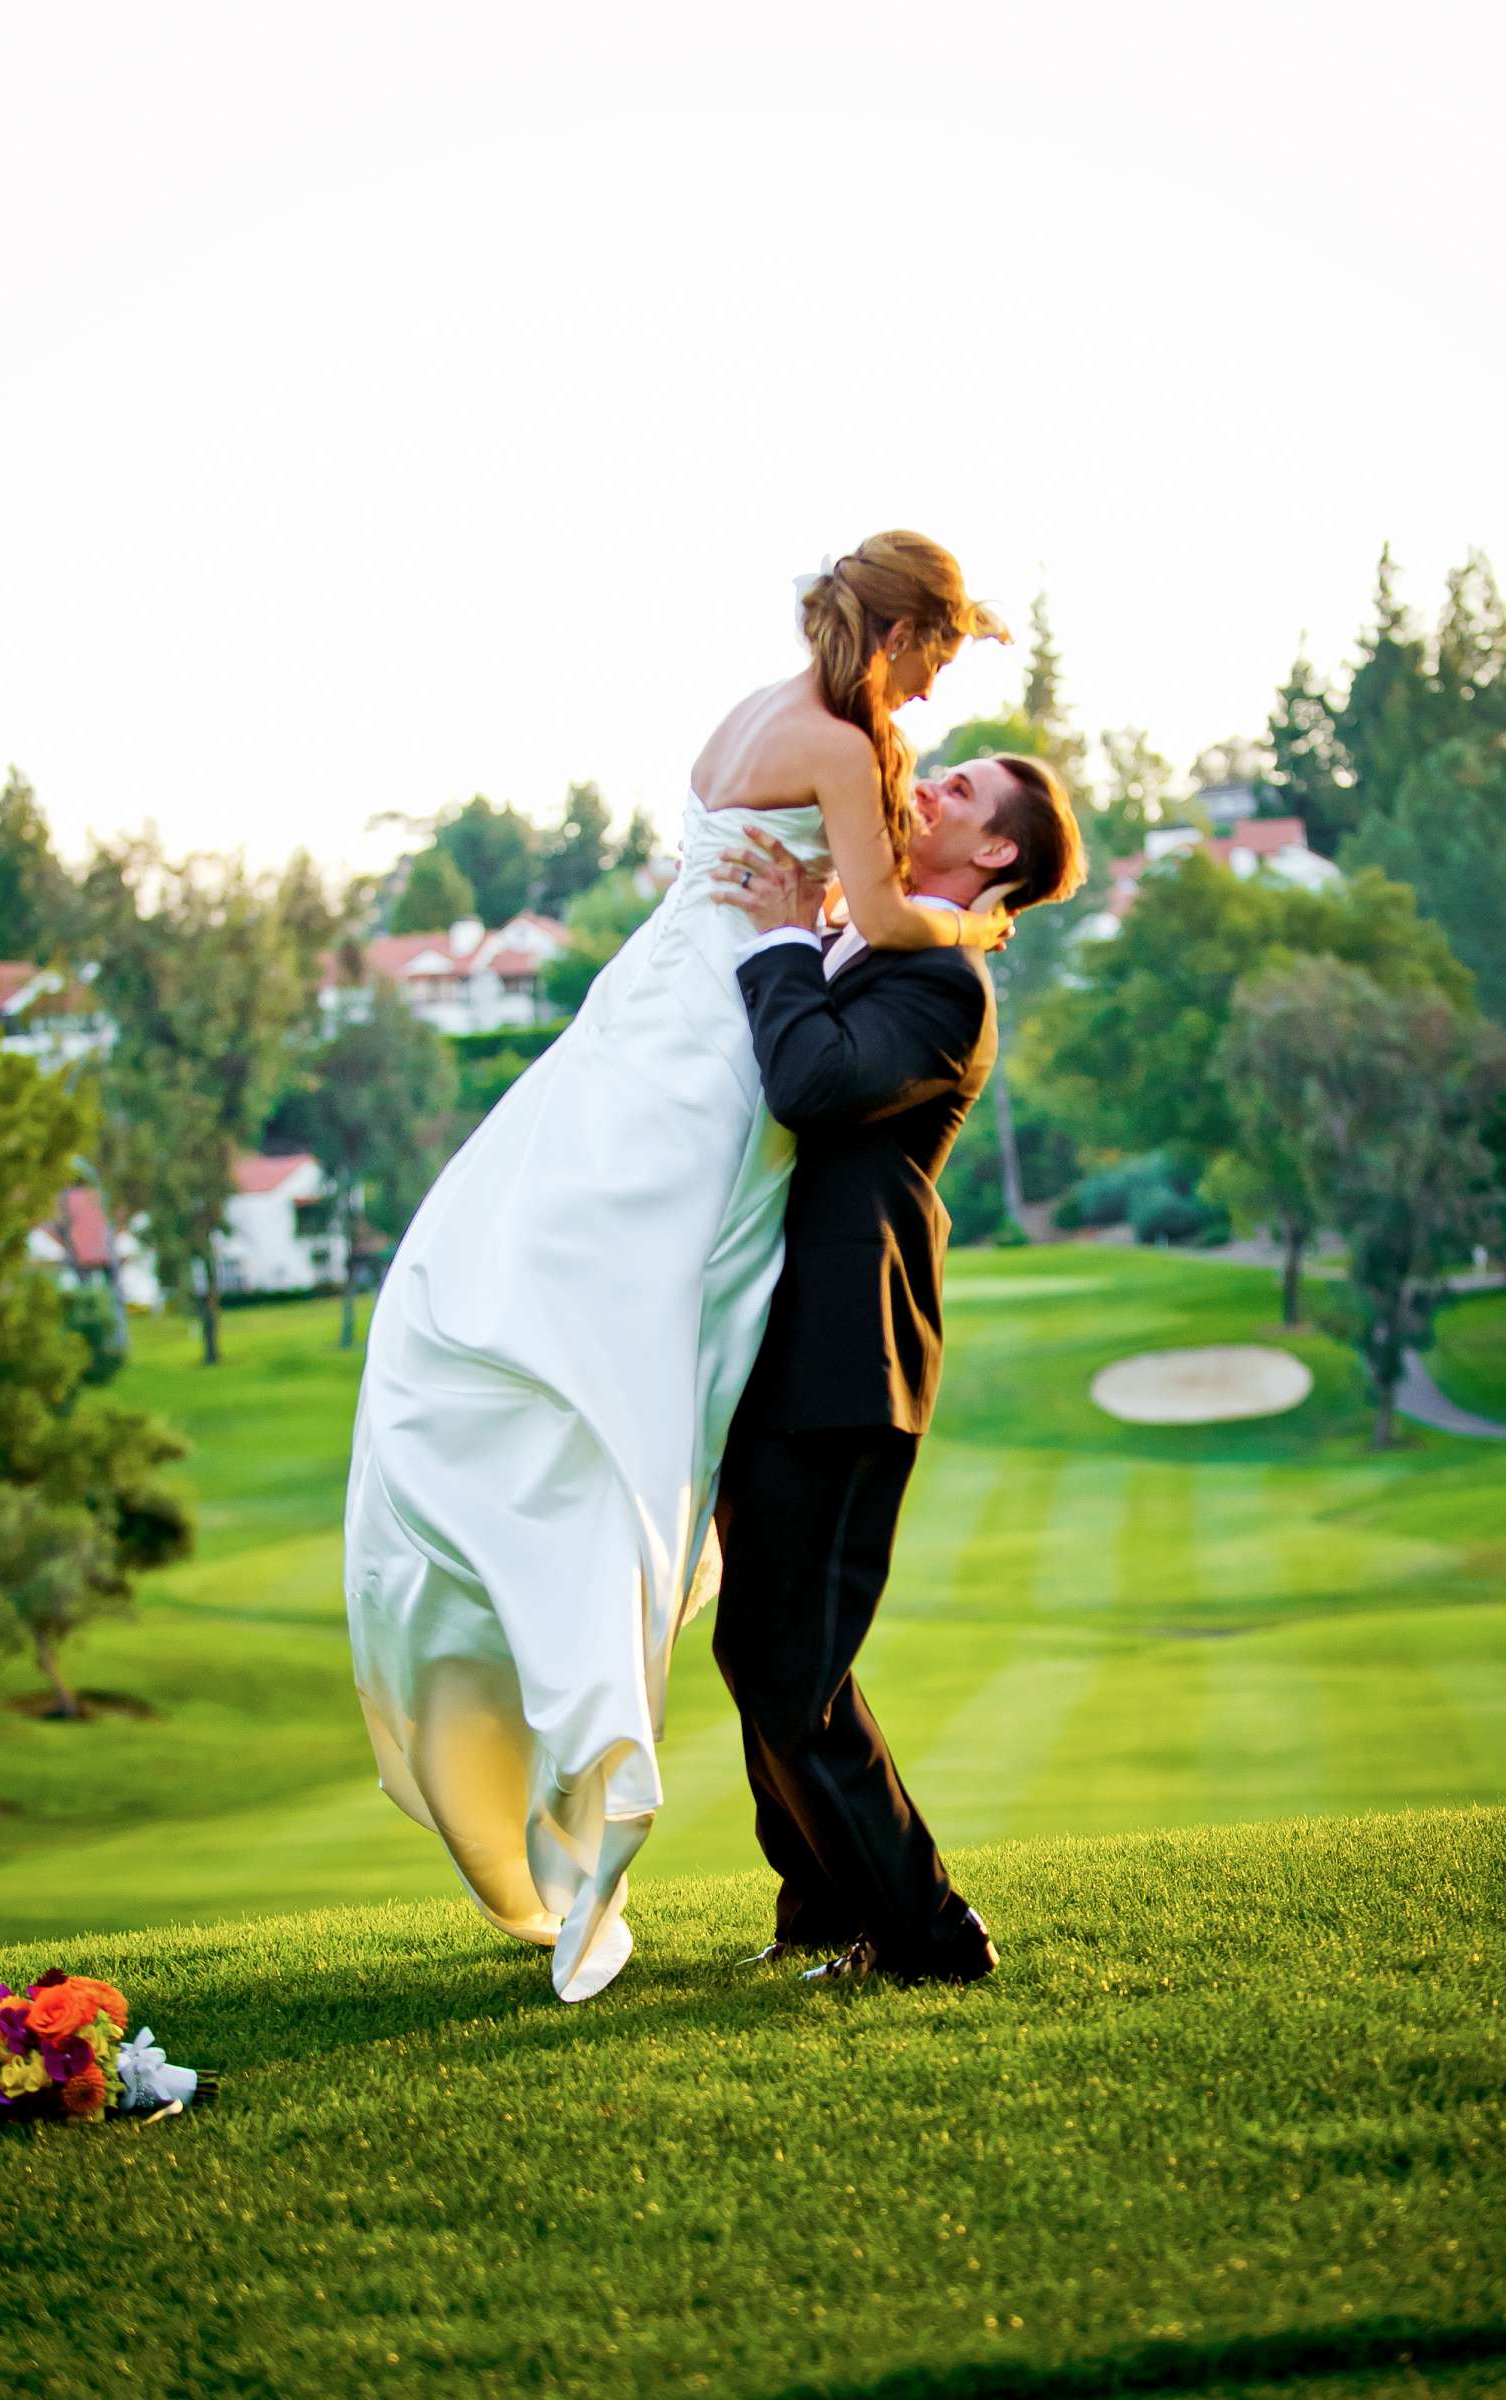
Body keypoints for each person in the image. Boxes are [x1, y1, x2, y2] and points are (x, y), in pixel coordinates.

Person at [345, 533, 1012, 2004]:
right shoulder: (849, 763)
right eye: (940, 663)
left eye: (962, 788)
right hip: (730, 1047)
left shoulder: (783, 746)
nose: (932, 731)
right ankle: (845, 1906)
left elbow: (825, 1014)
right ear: (905, 633)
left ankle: (906, 1925)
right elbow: (876, 929)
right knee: (763, 1619)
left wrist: (821, 934)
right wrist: (906, 921)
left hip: (700, 1050)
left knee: (777, 1641)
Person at [710, 754, 1086, 1985]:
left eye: (966, 791)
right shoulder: (874, 946)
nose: (935, 783)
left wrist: (773, 948)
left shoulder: (944, 982)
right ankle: (823, 1910)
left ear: (995, 860)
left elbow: (813, 1085)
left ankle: (933, 1936)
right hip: (780, 1356)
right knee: (759, 1657)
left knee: (792, 1671)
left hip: (846, 1356)